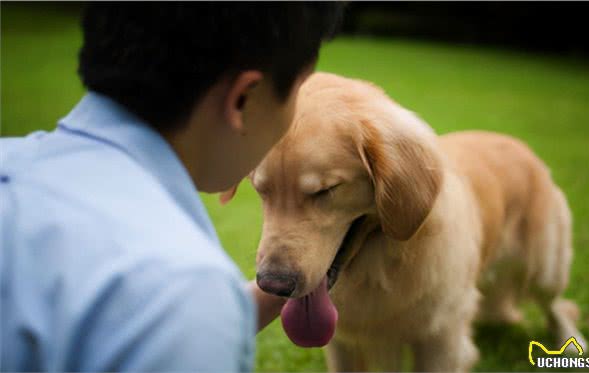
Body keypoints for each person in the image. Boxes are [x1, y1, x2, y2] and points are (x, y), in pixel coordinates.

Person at [0, 3, 343, 371]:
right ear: (244, 99)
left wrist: (262, 294)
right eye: (297, 92)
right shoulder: (179, 290)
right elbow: (169, 309)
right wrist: (202, 310)